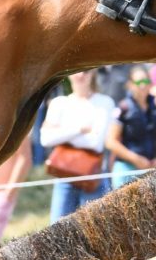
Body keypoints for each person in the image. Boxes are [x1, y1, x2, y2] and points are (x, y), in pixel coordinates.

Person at [40, 69, 116, 223]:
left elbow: (95, 142)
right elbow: (46, 139)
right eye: (77, 71)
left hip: (93, 175)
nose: (81, 75)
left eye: (86, 71)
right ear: (68, 74)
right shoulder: (59, 103)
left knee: (96, 227)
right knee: (57, 229)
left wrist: (62, 133)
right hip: (64, 174)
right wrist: (79, 129)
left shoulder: (104, 102)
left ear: (93, 72)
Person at [107, 65, 156, 188]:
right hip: (126, 169)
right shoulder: (123, 108)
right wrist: (135, 159)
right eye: (138, 82)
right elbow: (110, 142)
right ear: (130, 84)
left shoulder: (155, 106)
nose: (142, 85)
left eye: (145, 81)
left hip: (151, 168)